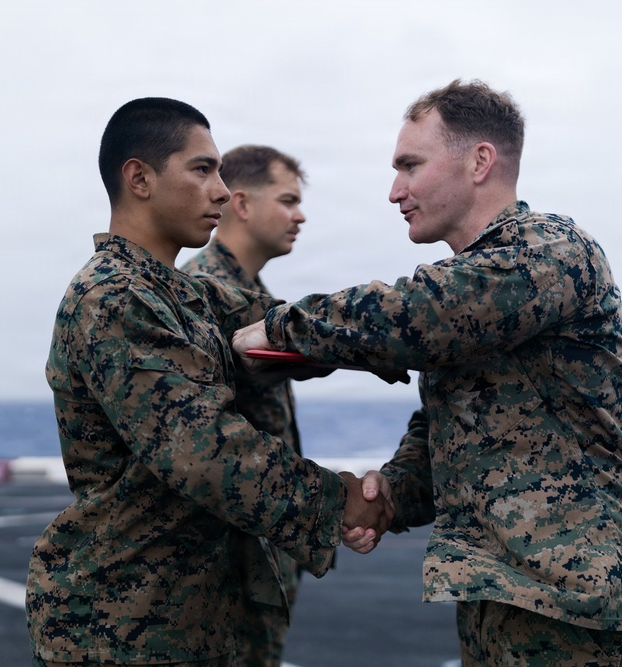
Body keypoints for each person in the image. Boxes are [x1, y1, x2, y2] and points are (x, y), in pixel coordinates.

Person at [232, 80, 622, 666]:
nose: (395, 191)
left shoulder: (551, 250)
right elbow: (454, 432)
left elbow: (422, 312)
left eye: (410, 166)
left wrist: (281, 327)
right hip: (503, 606)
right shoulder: (478, 293)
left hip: (589, 611)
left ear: (479, 162)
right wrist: (387, 494)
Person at [25, 97, 391, 667]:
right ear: (139, 179)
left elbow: (285, 325)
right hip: (123, 625)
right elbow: (201, 449)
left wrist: (392, 338)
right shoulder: (115, 297)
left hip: (187, 616)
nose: (221, 191)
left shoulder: (180, 294)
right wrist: (336, 500)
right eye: (202, 170)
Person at [181, 145, 308, 667]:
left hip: (262, 540)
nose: (300, 216)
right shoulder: (200, 291)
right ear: (242, 203)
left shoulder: (252, 292)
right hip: (226, 555)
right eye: (288, 200)